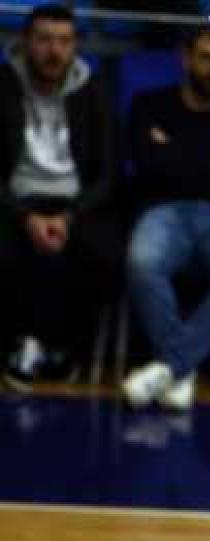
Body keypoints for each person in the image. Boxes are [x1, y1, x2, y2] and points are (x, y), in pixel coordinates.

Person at [120, 25, 210, 411]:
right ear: (186, 59)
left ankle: (169, 367)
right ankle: (181, 372)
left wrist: (176, 154)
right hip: (163, 210)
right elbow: (147, 167)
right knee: (142, 262)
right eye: (208, 58)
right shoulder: (149, 104)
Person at [0, 3, 119, 392]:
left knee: (104, 255)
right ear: (25, 42)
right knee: (10, 250)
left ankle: (58, 345)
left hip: (75, 202)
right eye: (45, 40)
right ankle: (28, 343)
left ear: (75, 46)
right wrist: (25, 216)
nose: (54, 51)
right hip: (16, 198)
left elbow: (107, 173)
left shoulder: (94, 91)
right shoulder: (3, 86)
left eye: (64, 42)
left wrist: (68, 217)